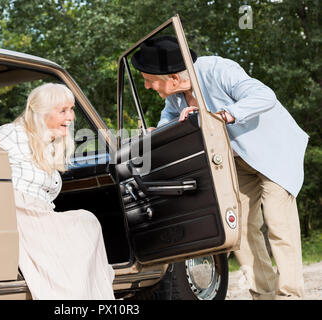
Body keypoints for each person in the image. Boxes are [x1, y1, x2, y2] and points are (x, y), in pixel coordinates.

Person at [131, 35, 308, 300]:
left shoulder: (217, 69)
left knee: (279, 224)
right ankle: (264, 295)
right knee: (242, 229)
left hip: (273, 152)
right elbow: (169, 119)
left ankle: (291, 296)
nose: (146, 86)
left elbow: (264, 96)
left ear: (174, 79)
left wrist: (221, 115)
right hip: (236, 159)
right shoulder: (177, 96)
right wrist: (156, 132)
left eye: (148, 79)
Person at [0, 83, 115, 300]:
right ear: (40, 112)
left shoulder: (51, 144)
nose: (70, 117)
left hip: (41, 216)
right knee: (85, 222)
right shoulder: (11, 134)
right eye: (63, 110)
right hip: (21, 216)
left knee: (86, 222)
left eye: (71, 109)